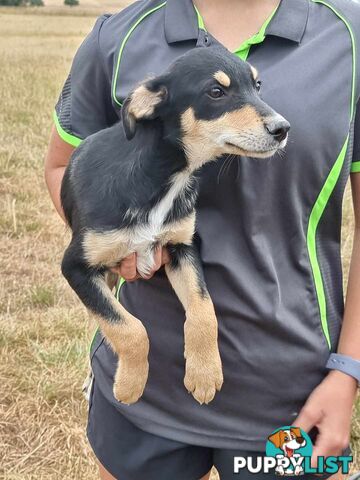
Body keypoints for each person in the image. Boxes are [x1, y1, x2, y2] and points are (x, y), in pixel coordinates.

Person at [45, 0, 360, 479]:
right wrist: (112, 248)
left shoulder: (350, 34)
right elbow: (62, 166)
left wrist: (348, 372)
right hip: (146, 396)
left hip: (295, 395)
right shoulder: (118, 35)